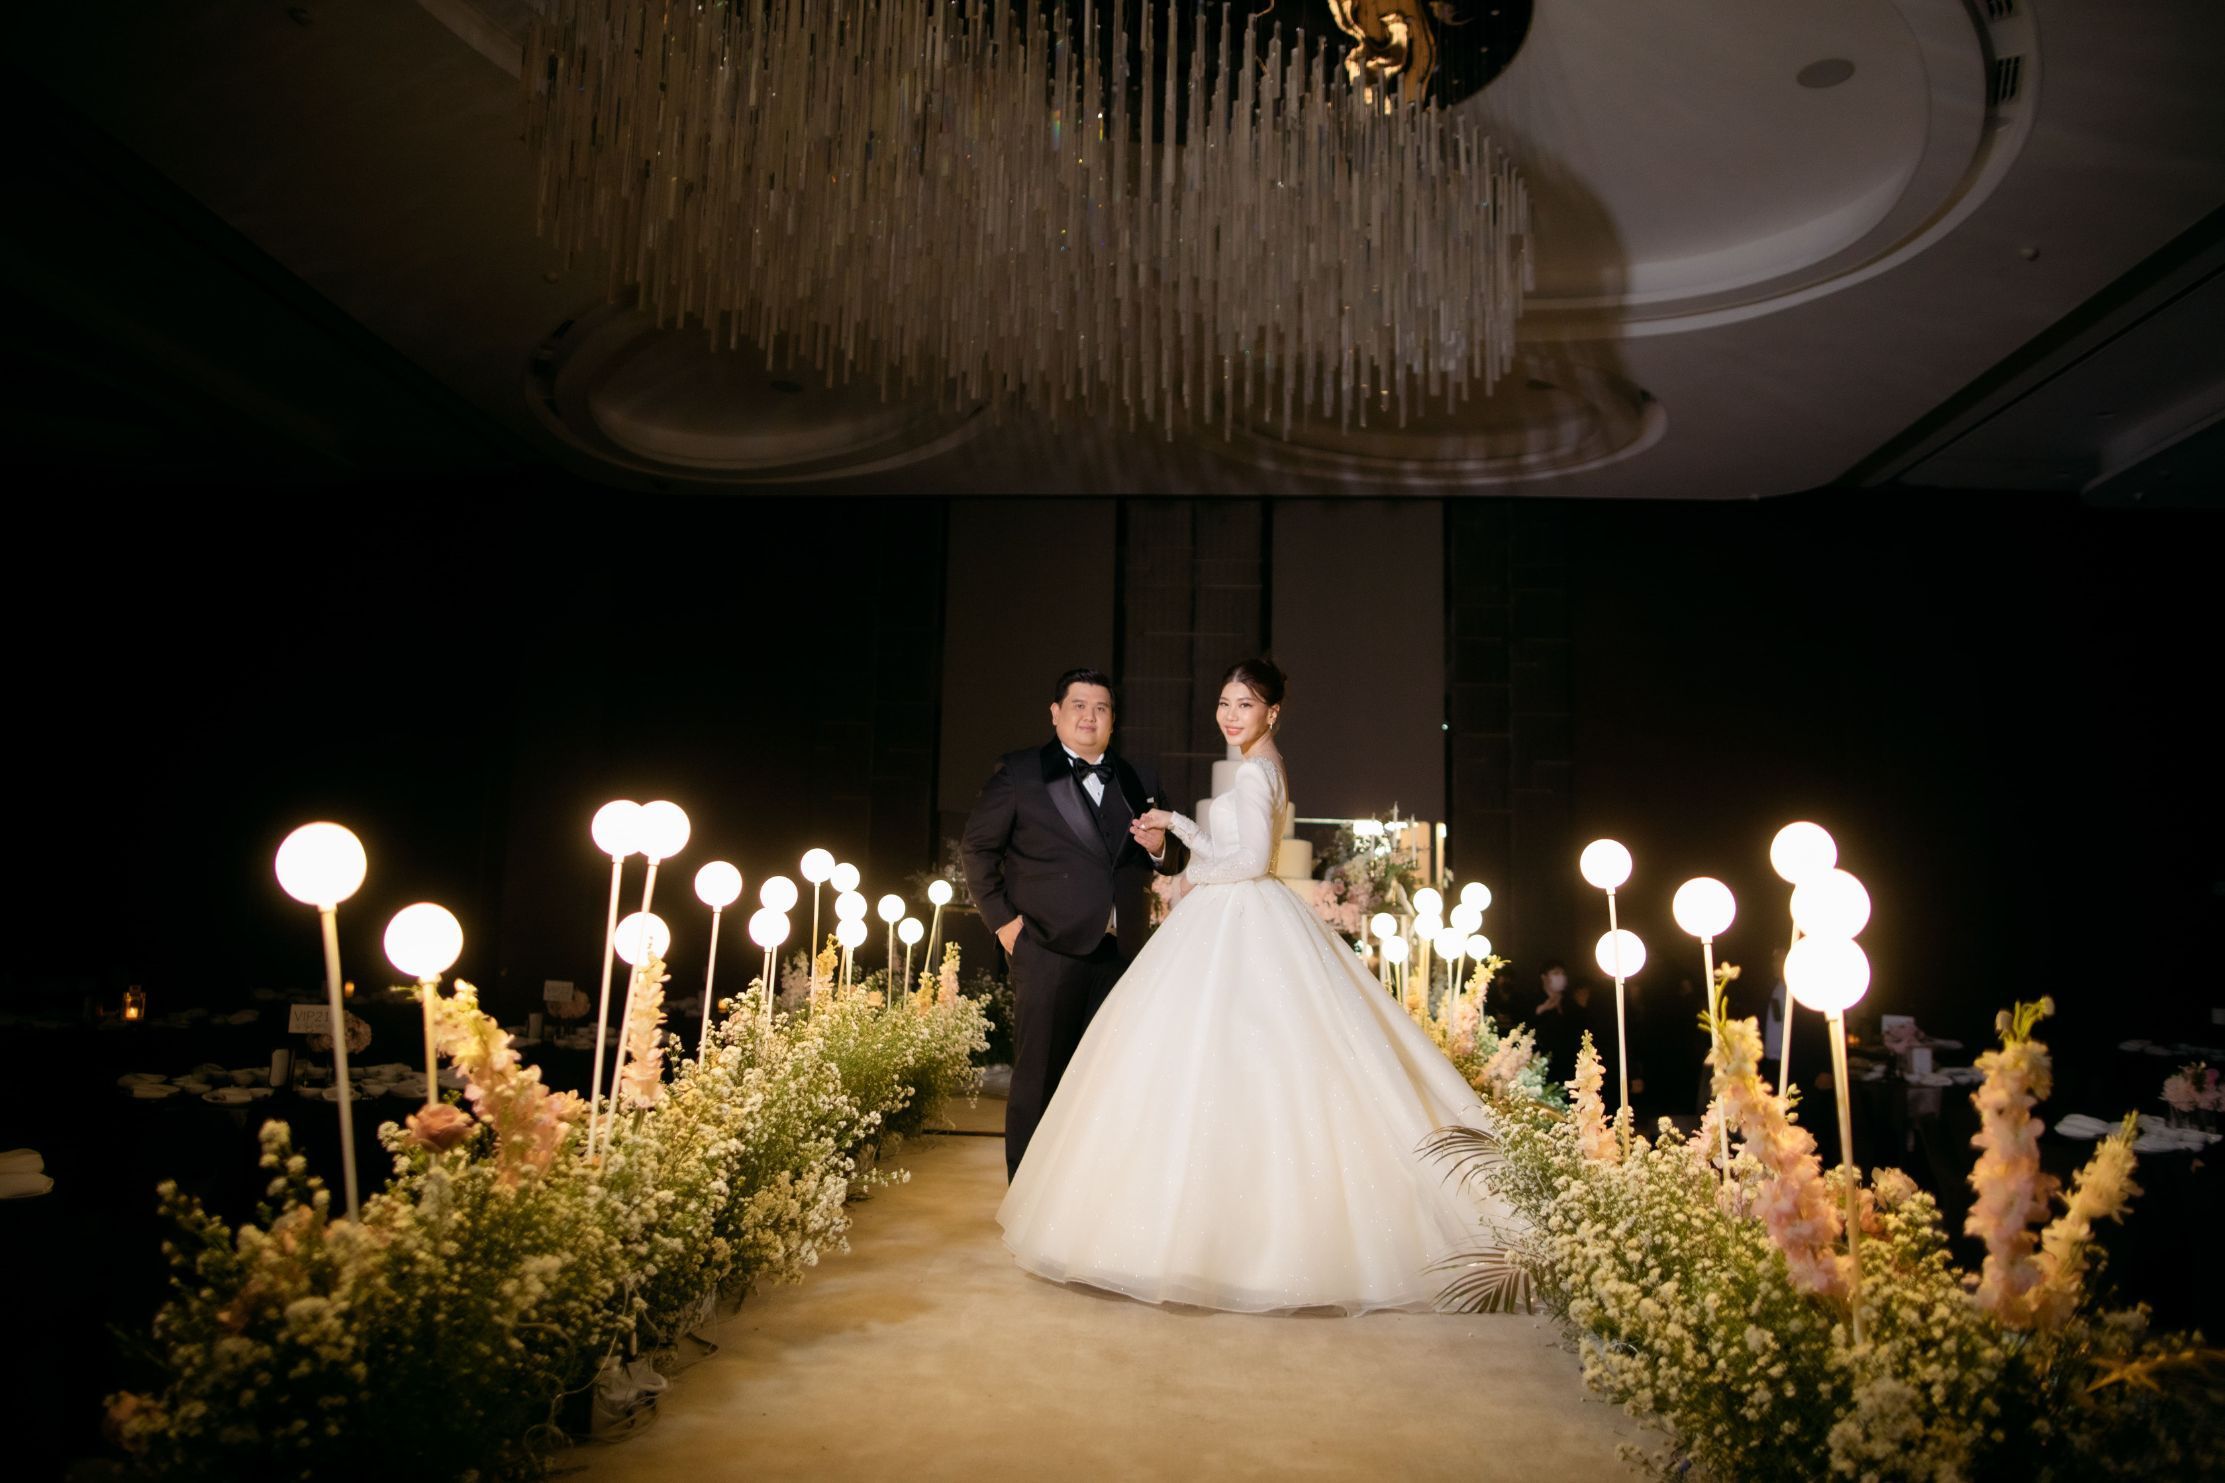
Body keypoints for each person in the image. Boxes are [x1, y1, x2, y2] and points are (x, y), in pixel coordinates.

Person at [996, 658, 1520, 1313]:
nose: (1229, 714)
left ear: (1271, 711)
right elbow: (1243, 852)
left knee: (1223, 1060)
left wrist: (1185, 878)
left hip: (1237, 912)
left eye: (1244, 704)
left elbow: (1247, 860)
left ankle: (1220, 1244)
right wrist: (1178, 832)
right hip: (1246, 911)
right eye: (1224, 702)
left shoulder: (1253, 770)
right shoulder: (1268, 765)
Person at [961, 668, 1189, 1179]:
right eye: (1079, 705)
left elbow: (1173, 856)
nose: (1090, 716)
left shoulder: (1137, 777)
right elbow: (976, 851)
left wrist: (1160, 848)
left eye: (1101, 708)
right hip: (1046, 949)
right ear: (1056, 713)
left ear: (1113, 719)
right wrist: (1005, 926)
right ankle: (1026, 1195)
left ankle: (1085, 1194)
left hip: (1120, 955)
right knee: (1038, 1081)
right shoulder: (1020, 772)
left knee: (1105, 1083)